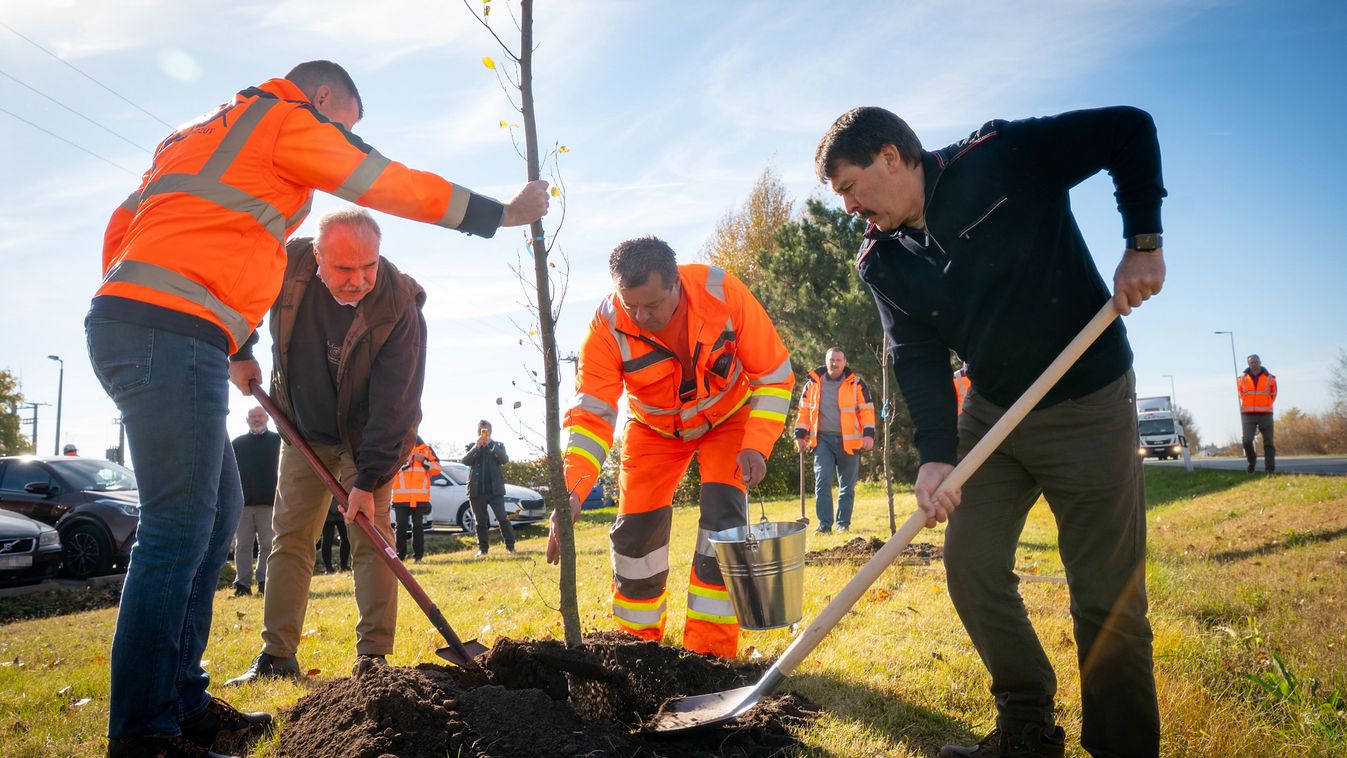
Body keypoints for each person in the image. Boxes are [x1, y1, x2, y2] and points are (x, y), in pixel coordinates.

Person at [87, 58, 547, 757]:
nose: (342, 141)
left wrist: (228, 336)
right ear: (323, 98)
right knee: (179, 529)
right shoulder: (283, 118)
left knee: (212, 523)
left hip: (161, 326)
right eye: (345, 126)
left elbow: (132, 226)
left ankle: (181, 702)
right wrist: (500, 213)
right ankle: (145, 735)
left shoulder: (198, 133)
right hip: (169, 331)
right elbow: (382, 179)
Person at [816, 106, 1167, 758]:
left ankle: (1121, 746)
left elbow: (1128, 129)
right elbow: (917, 359)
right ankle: (1026, 727)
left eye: (849, 187)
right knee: (971, 566)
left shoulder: (999, 156)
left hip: (1086, 400)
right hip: (994, 414)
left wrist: (1142, 241)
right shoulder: (881, 261)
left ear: (889, 156)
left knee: (1104, 594)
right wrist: (934, 457)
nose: (848, 206)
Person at [549, 236, 794, 658]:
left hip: (728, 420)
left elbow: (773, 376)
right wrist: (572, 490)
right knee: (636, 536)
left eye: (652, 305)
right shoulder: (606, 327)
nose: (641, 317)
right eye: (631, 306)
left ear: (676, 283)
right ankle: (636, 652)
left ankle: (710, 656)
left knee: (724, 527)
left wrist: (756, 444)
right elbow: (591, 417)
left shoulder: (723, 293)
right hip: (653, 430)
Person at [223, 207, 429, 686]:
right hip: (302, 429)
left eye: (368, 266)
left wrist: (368, 479)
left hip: (366, 438)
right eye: (344, 269)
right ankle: (277, 656)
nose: (358, 281)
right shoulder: (287, 265)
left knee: (371, 539)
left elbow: (396, 405)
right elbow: (238, 294)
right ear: (317, 255)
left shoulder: (398, 304)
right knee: (291, 537)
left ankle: (373, 659)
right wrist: (241, 351)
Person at [793, 347, 876, 533]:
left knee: (847, 487)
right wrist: (800, 435)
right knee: (822, 482)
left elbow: (867, 410)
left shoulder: (856, 383)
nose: (835, 363)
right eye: (831, 360)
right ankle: (824, 525)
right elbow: (804, 411)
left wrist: (868, 434)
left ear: (844, 362)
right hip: (822, 440)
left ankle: (843, 524)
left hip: (850, 442)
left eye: (838, 360)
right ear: (826, 361)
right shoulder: (812, 384)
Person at [231, 406, 280, 596]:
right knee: (242, 545)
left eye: (260, 416)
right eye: (253, 416)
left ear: (267, 418)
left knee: (268, 544)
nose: (256, 419)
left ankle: (264, 582)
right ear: (247, 420)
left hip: (269, 503)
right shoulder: (237, 444)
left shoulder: (277, 441)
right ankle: (242, 585)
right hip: (243, 504)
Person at [462, 420, 514, 556]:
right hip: (476, 490)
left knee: (503, 518)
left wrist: (491, 444)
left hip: (495, 491)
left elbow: (504, 459)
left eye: (486, 430)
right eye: (481, 430)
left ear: (490, 431)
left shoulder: (498, 445)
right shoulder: (471, 446)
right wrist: (476, 447)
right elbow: (466, 461)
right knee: (480, 521)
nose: (483, 433)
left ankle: (510, 547)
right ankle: (483, 549)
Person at [391, 435, 441, 561]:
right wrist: (407, 462)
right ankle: (400, 556)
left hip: (419, 497)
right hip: (401, 496)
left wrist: (423, 460)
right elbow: (391, 468)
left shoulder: (426, 449)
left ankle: (418, 556)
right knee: (401, 526)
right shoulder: (398, 447)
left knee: (418, 526)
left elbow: (437, 469)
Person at [1238, 354, 1278, 474]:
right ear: (1248, 364)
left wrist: (1264, 404)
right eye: (1251, 362)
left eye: (1256, 362)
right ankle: (1252, 461)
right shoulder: (1241, 379)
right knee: (1247, 440)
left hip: (1266, 413)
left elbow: (1273, 395)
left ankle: (1269, 469)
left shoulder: (1270, 378)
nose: (1254, 364)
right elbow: (1241, 394)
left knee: (1268, 442)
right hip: (1248, 414)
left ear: (1260, 362)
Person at [321, 498, 351, 574]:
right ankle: (328, 568)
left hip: (341, 510)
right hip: (327, 513)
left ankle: (344, 566)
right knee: (327, 540)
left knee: (346, 538)